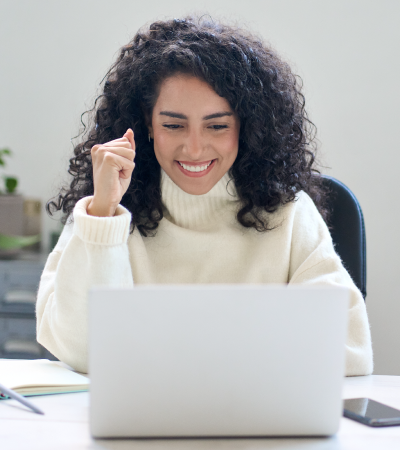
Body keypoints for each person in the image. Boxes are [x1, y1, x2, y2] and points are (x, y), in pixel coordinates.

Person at [37, 16, 373, 375]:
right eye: (173, 125)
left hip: (254, 422)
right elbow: (80, 352)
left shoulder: (289, 214)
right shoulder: (104, 210)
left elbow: (350, 351)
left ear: (245, 126)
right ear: (147, 125)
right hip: (142, 425)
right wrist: (103, 215)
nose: (194, 149)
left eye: (217, 126)